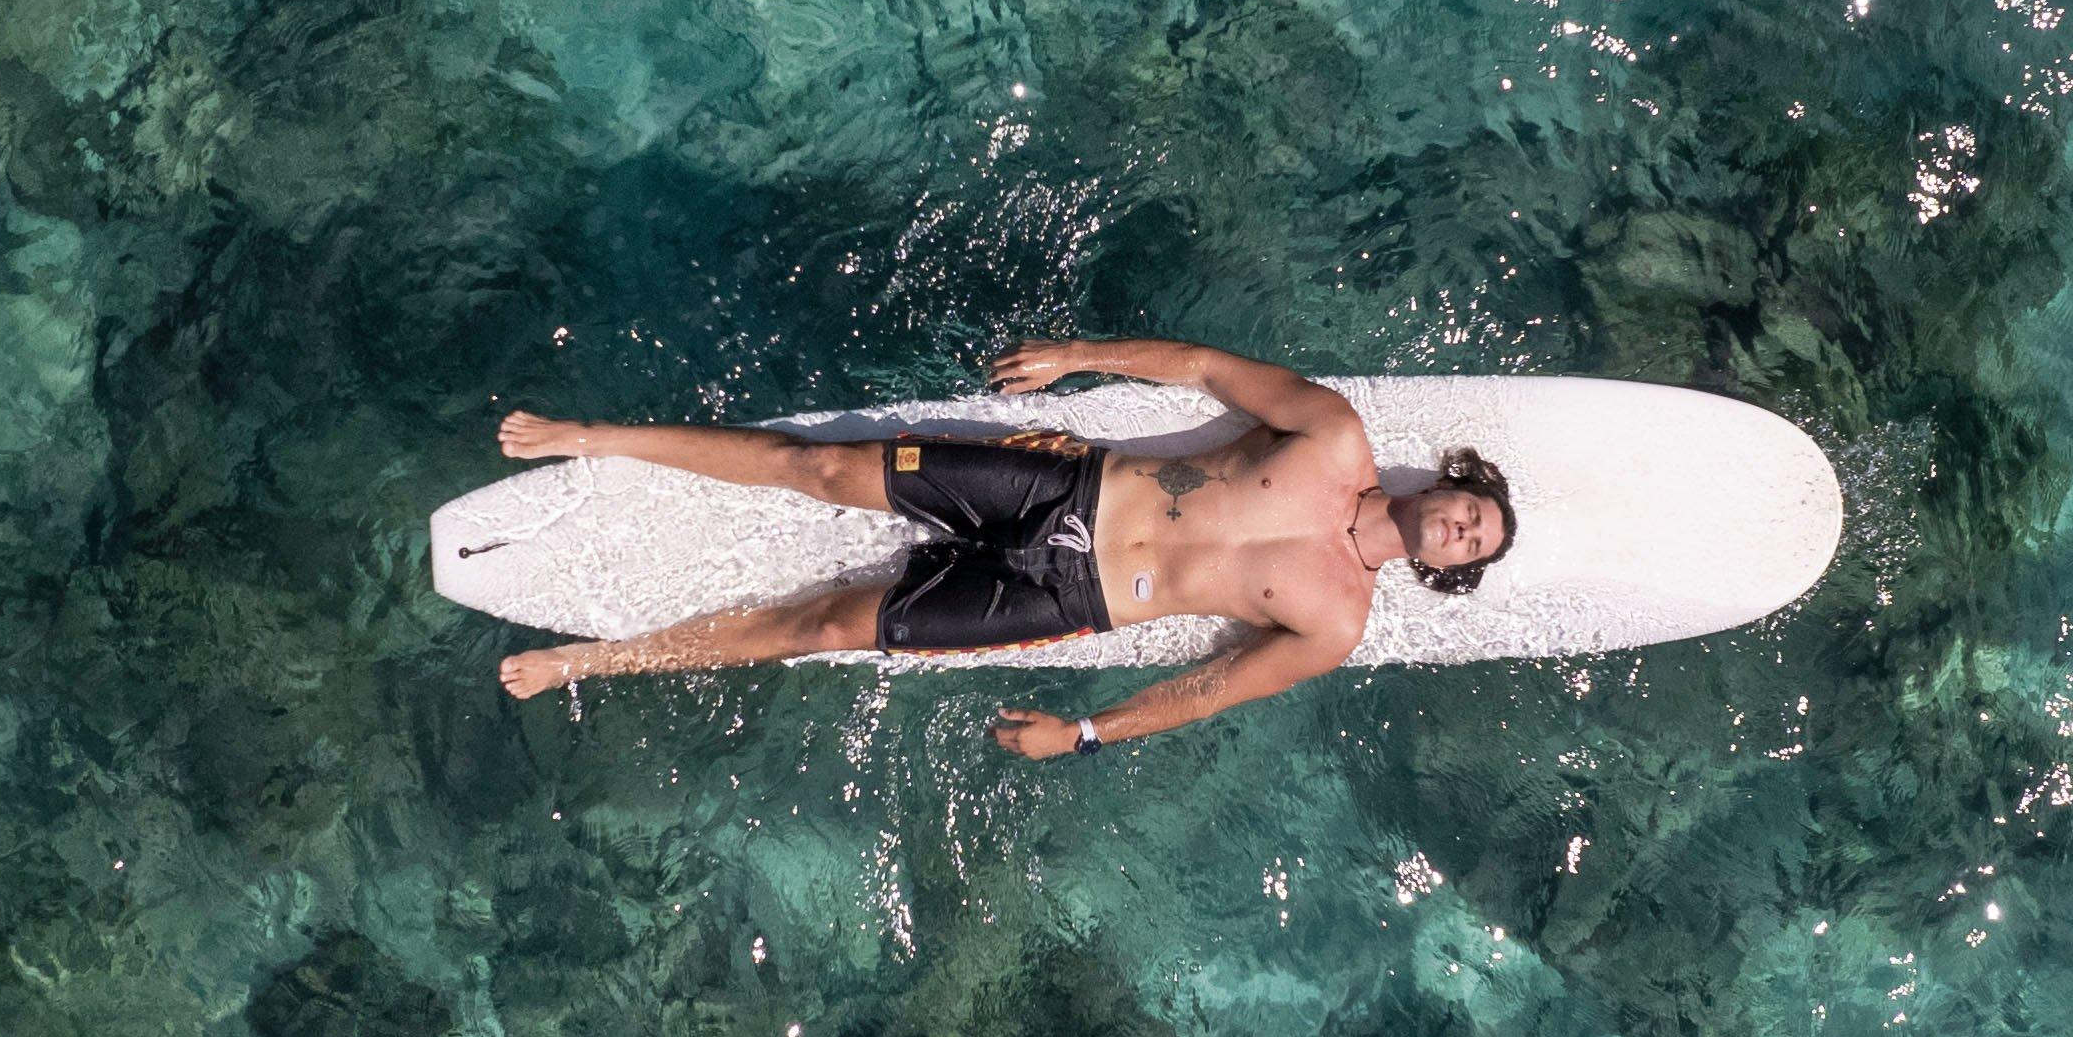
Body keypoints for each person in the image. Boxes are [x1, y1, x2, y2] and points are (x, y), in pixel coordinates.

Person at [491, 338, 1515, 755]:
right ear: (1448, 482)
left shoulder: (1336, 622)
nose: (1463, 527)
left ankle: (594, 661)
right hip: (1062, 483)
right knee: (821, 465)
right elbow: (1207, 369)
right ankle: (595, 437)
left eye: (1472, 546)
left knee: (824, 630)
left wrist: (1085, 734)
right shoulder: (1334, 433)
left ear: (1446, 569)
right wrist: (1079, 356)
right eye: (1473, 509)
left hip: (1071, 597)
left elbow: (1210, 690)